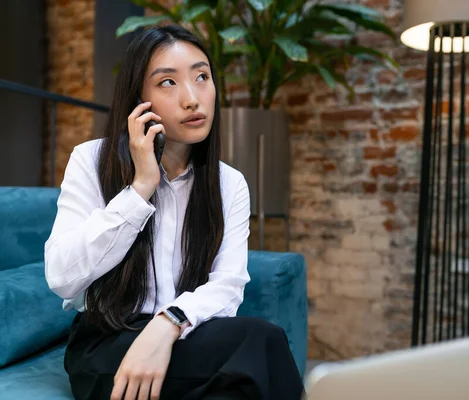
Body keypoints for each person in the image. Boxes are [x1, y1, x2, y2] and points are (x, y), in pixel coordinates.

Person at [44, 24, 304, 400]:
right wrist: (141, 187)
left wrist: (168, 324)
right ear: (138, 98)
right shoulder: (90, 161)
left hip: (184, 337)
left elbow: (227, 286)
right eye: (168, 83)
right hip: (105, 348)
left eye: (202, 77)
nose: (192, 98)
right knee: (261, 342)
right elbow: (61, 277)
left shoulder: (228, 184)